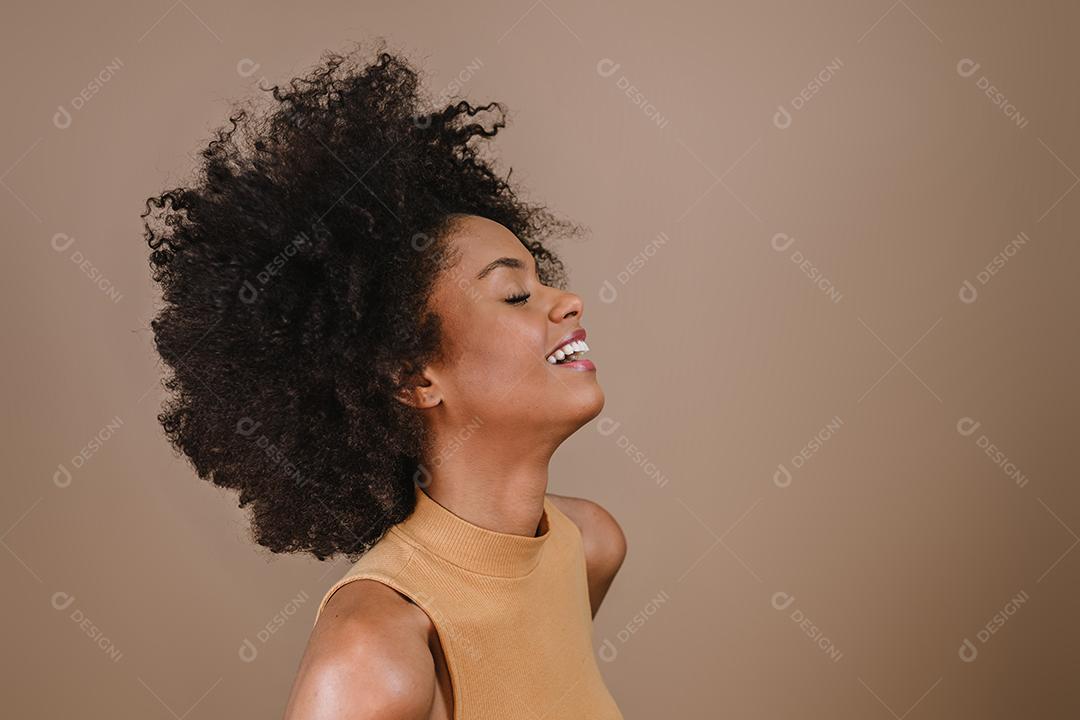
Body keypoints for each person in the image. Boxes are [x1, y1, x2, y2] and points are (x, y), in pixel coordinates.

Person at [142, 41, 626, 719]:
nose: (568, 302)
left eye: (544, 282)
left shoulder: (588, 546)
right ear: (414, 377)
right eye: (515, 295)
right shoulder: (374, 652)